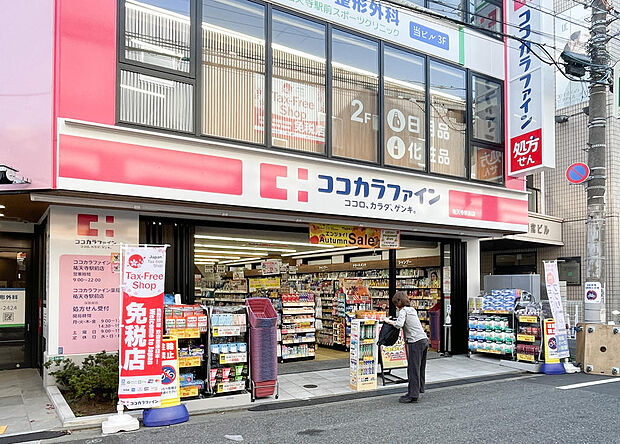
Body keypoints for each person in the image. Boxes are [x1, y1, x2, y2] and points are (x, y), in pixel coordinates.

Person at [384, 291, 428, 403]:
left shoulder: (403, 311)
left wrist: (388, 321)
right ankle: (419, 389)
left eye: (395, 304)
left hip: (415, 342)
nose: (396, 307)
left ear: (399, 302)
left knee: (413, 369)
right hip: (424, 340)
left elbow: (399, 324)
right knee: (420, 368)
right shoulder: (412, 309)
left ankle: (412, 395)